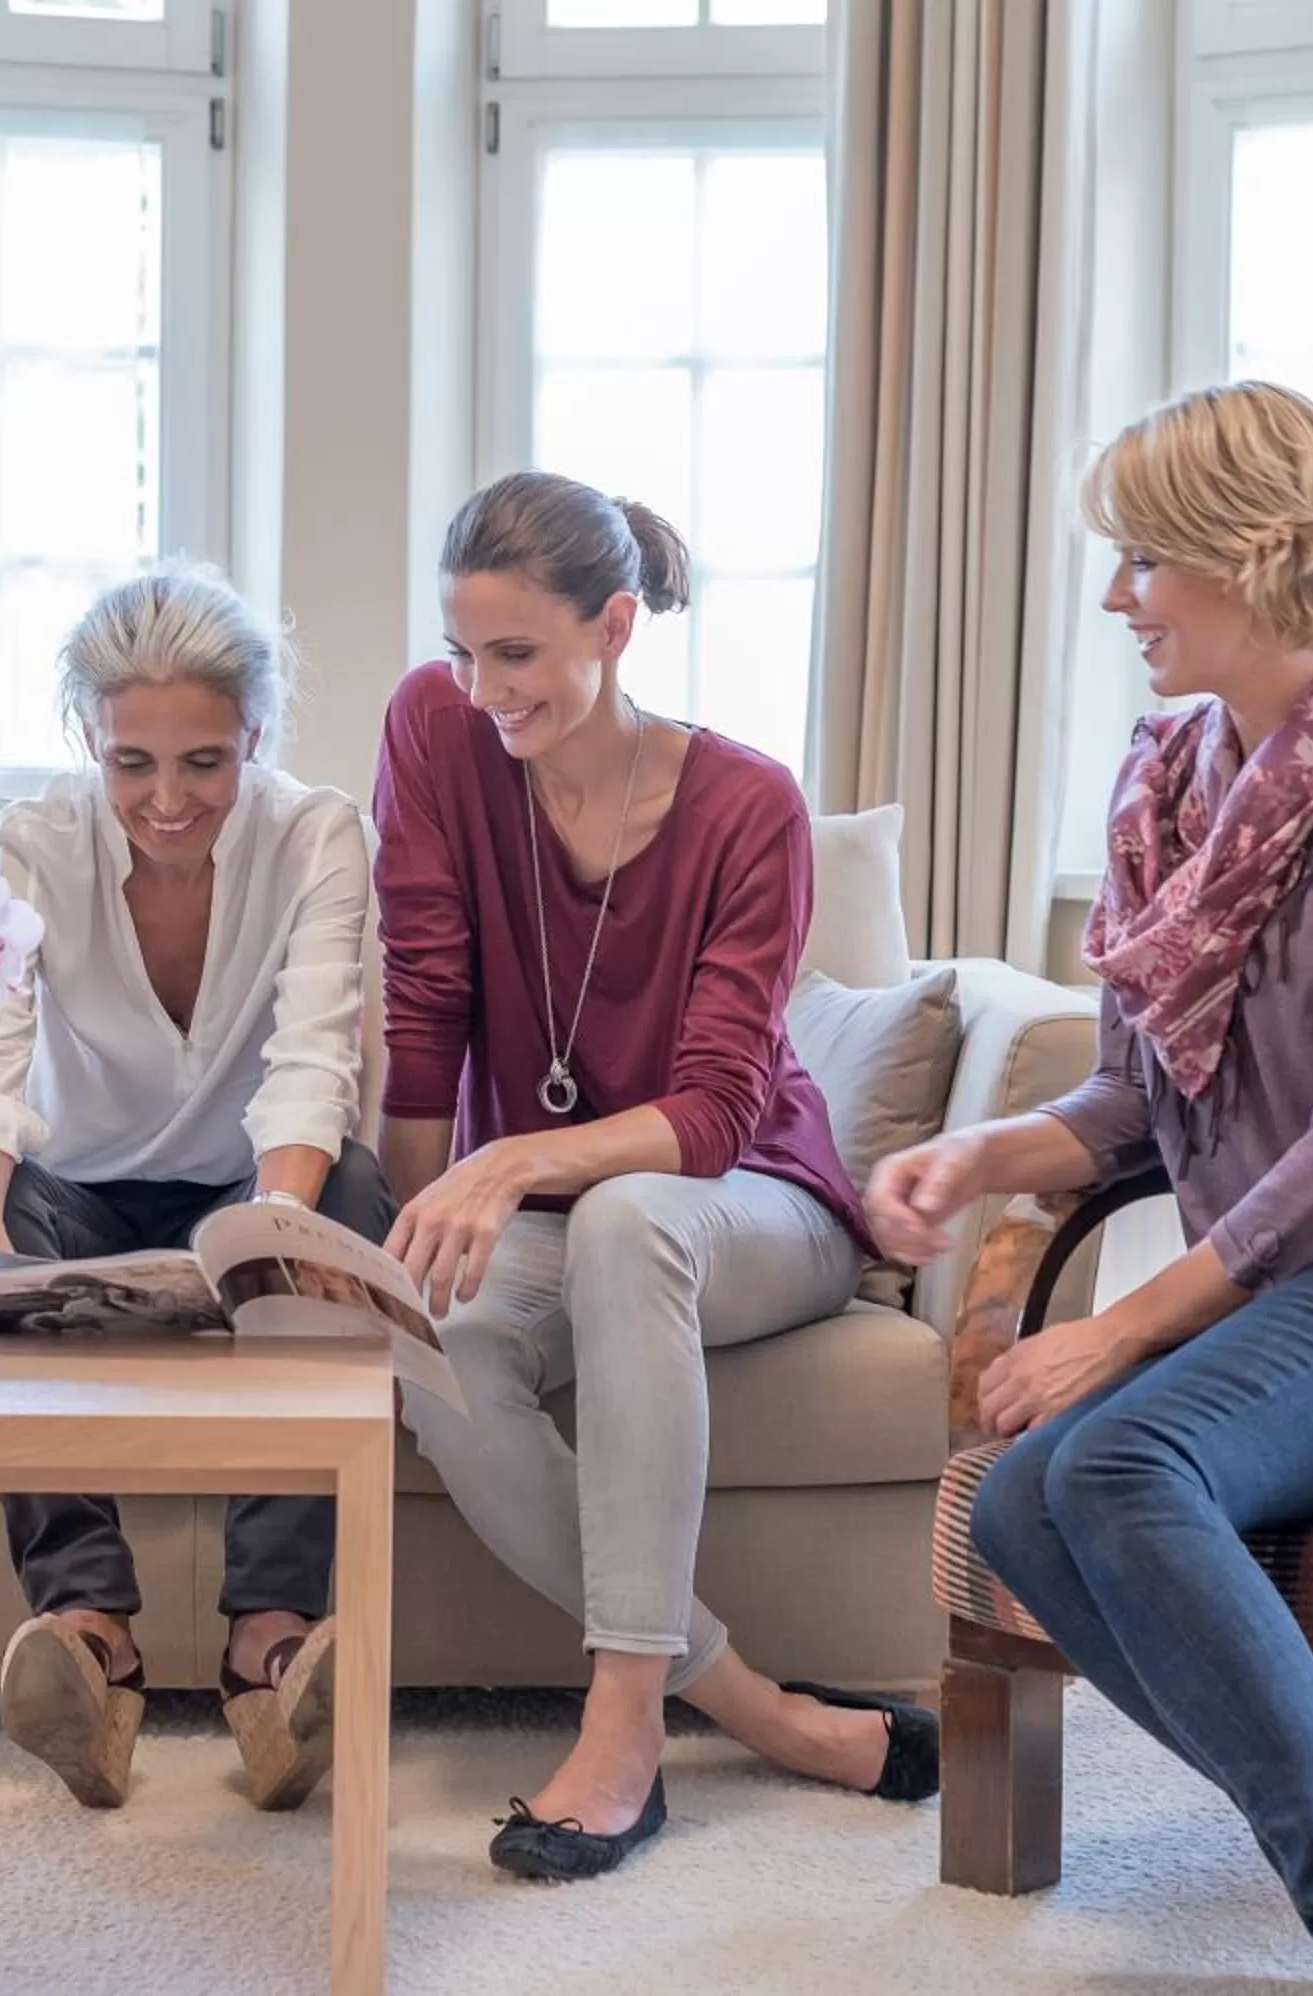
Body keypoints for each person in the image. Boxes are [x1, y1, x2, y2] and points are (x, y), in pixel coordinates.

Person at [866, 384, 1313, 1996]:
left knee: (1112, 1468)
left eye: (1143, 560)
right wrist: (979, 1153)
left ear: (1252, 556)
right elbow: (1141, 1097)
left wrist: (1121, 1330)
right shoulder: (1170, 793)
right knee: (1015, 1498)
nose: (1120, 598)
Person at [373, 470, 941, 1881]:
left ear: (615, 625)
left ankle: (622, 1723)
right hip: (577, 1213)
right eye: (462, 649)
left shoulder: (748, 802)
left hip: (761, 1206)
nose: (482, 687)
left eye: (518, 655)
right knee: (426, 1339)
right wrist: (406, 1230)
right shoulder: (435, 733)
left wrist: (503, 1158)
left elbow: (716, 1109)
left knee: (632, 1219)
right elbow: (424, 1000)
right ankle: (760, 1711)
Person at [0, 561, 397, 1815]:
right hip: (77, 1193)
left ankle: (272, 1646)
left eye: (205, 763)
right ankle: (90, 1633)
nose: (168, 801)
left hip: (244, 1182)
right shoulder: (23, 849)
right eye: (134, 763)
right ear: (87, 739)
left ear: (255, 741)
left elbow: (311, 1064)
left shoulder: (320, 836)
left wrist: (271, 1231)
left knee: (346, 1191)